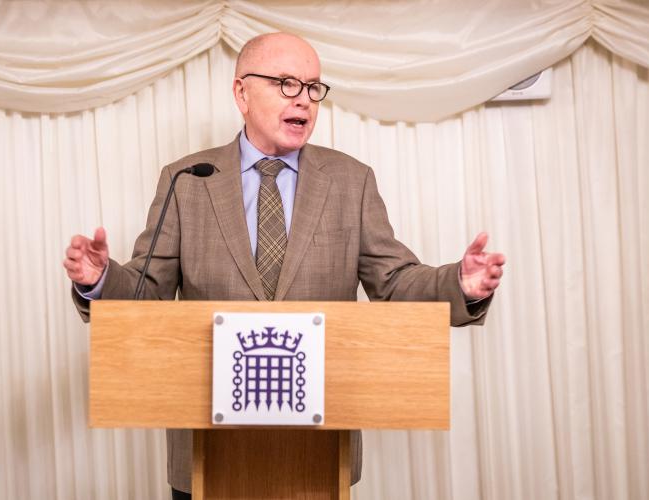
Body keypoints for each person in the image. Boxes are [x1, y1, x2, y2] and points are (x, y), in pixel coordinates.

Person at [64, 32, 505, 499]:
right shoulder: (187, 179)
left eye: (314, 87)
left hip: (318, 446)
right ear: (242, 93)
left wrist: (461, 284)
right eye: (286, 84)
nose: (305, 100)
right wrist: (101, 280)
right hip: (207, 448)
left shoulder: (350, 181)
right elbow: (148, 292)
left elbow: (394, 283)